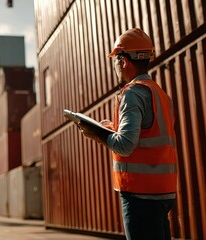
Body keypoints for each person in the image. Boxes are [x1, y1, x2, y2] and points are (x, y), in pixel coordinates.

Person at [78, 28, 177, 240]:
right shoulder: (160, 94)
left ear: (123, 61)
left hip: (140, 195)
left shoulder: (133, 93)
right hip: (164, 192)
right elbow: (148, 135)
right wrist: (113, 129)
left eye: (115, 59)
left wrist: (96, 134)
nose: (115, 65)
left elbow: (125, 145)